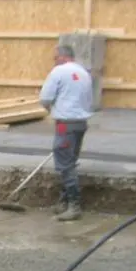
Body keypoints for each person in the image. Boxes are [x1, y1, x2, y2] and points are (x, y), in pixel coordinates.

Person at [37, 44, 94, 222]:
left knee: (65, 165)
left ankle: (74, 206)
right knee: (70, 162)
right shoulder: (84, 73)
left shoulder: (59, 72)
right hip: (80, 124)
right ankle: (64, 201)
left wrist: (49, 108)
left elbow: (45, 98)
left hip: (65, 125)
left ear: (62, 57)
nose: (54, 61)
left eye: (55, 58)